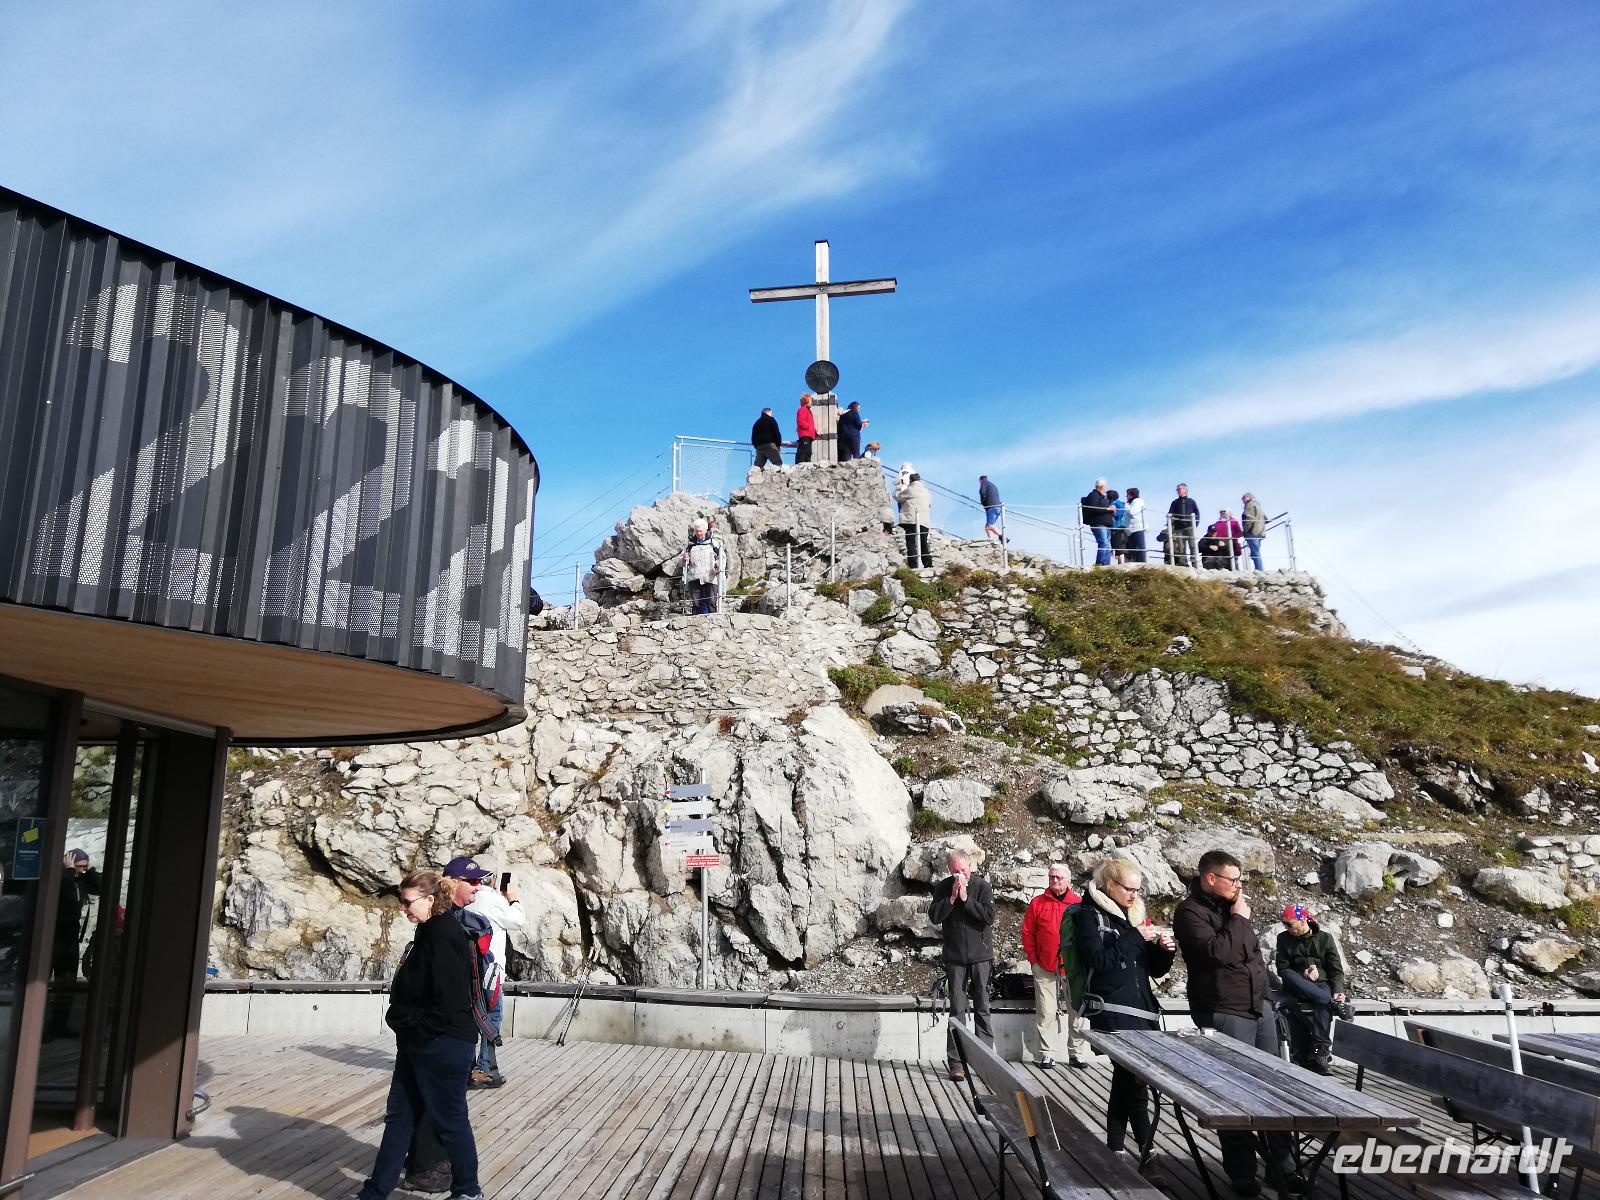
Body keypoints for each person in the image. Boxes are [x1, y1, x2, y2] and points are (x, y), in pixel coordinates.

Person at [1174, 850, 1300, 1198]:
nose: (1239, 886)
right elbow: (1218, 954)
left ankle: (1282, 1165)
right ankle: (1243, 1172)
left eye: (1240, 880)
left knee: (1273, 1089)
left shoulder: (1231, 911)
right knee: (1233, 1093)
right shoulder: (1190, 912)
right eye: (1233, 880)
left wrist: (1268, 996)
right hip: (1225, 1010)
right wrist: (1240, 920)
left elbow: (1249, 955)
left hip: (1258, 1007)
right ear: (1211, 879)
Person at [357, 869, 483, 1200]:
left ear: (429, 900)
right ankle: (374, 1193)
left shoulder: (443, 935)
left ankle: (468, 1192)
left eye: (406, 901)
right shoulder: (429, 932)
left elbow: (450, 1001)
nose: (402, 908)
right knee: (400, 1118)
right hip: (419, 1045)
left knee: (450, 1121)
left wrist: (417, 1030)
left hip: (441, 1045)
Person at [1074, 857, 1175, 1185]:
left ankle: (1116, 1148)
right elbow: (1100, 962)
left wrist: (1163, 951)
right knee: (1135, 1083)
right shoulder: (1088, 916)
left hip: (1140, 1011)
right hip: (1112, 1012)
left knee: (1127, 1081)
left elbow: (1151, 971)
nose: (1134, 895)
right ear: (1109, 885)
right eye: (1128, 888)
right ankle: (1148, 1153)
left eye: (1138, 889)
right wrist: (1135, 937)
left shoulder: (1133, 916)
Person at [444, 856, 526, 1089]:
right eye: (473, 880)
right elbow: (518, 920)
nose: (477, 885)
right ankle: (484, 1066)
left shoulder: (455, 905)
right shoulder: (489, 898)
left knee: (470, 1015)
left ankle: (467, 1066)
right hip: (489, 969)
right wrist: (513, 900)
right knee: (493, 1015)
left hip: (466, 971)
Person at [928, 849, 996, 1081]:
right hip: (955, 958)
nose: (960, 875)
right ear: (950, 870)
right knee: (957, 1010)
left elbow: (989, 917)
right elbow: (934, 916)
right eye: (955, 871)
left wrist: (966, 899)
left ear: (970, 867)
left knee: (982, 1008)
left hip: (981, 957)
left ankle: (986, 1061)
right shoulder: (943, 888)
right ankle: (957, 1063)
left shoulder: (982, 887)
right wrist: (952, 899)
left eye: (963, 870)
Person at [1020, 863, 1090, 1069]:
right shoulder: (1037, 903)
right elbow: (1027, 932)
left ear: (1068, 881)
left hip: (1073, 968)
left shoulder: (1078, 903)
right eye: (1052, 877)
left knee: (1076, 1011)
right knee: (1046, 1011)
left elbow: (1087, 936)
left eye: (1059, 878)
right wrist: (1033, 960)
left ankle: (1076, 1053)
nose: (1055, 881)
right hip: (1044, 965)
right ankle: (1047, 1053)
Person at [1274, 904, 1352, 1075]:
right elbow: (1282, 968)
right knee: (1288, 974)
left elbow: (1335, 970)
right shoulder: (1283, 938)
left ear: (1303, 921)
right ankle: (1331, 1003)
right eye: (1284, 924)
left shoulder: (1325, 939)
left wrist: (1338, 990)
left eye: (1289, 924)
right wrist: (1303, 975)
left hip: (1321, 984)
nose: (1286, 928)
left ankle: (1319, 1052)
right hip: (1297, 984)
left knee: (1323, 997)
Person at [47, 849, 101, 1038]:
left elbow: (102, 887)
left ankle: (59, 1024)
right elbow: (65, 896)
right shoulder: (61, 879)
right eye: (80, 866)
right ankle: (42, 1025)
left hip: (70, 936)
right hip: (53, 935)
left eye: (85, 866)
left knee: (67, 982)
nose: (82, 870)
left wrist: (90, 871)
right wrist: (68, 872)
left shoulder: (81, 880)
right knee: (46, 980)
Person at [681, 518, 724, 615]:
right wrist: (684, 559)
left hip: (710, 576)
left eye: (700, 531)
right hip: (695, 577)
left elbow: (721, 557)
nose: (698, 533)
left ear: (705, 530)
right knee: (696, 603)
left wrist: (717, 567)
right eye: (696, 531)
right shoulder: (690, 545)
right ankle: (695, 627)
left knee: (711, 602)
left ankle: (714, 624)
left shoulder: (713, 543)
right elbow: (683, 563)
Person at [894, 464, 933, 570]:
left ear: (911, 480)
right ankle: (928, 564)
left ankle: (913, 565)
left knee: (911, 541)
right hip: (924, 520)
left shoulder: (911, 489)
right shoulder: (926, 492)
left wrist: (897, 489)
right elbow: (930, 503)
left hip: (911, 519)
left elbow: (898, 497)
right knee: (923, 542)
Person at [1080, 478, 1115, 566]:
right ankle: (1099, 563)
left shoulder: (1101, 497)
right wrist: (1108, 509)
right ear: (1102, 486)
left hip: (1105, 524)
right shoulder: (1093, 495)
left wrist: (1110, 510)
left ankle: (1106, 565)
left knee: (1108, 546)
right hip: (1098, 523)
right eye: (1106, 486)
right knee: (1103, 543)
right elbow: (1093, 508)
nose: (1106, 488)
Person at [1167, 483, 1200, 567]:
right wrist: (1169, 517)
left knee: (1192, 546)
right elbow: (1170, 512)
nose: (1178, 491)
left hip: (1189, 527)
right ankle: (1183, 564)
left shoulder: (1191, 501)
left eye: (1180, 489)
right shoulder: (1174, 502)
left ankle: (1194, 563)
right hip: (1179, 528)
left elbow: (1197, 513)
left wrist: (1195, 525)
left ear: (1185, 490)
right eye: (1177, 489)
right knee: (1181, 548)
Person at [1241, 493, 1266, 571]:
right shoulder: (1258, 505)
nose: (1242, 500)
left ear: (1248, 497)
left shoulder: (1250, 505)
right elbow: (1265, 517)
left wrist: (1245, 530)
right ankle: (1259, 569)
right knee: (1256, 551)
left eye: (1243, 498)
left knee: (1255, 552)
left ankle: (1259, 570)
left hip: (1252, 532)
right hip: (1260, 532)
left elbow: (1249, 519)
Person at [1124, 487, 1147, 564]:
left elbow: (1132, 512)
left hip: (1137, 528)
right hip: (1132, 529)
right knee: (1134, 549)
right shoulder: (1133, 503)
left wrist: (1126, 505)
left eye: (1127, 495)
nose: (1126, 497)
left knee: (1139, 547)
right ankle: (1137, 564)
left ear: (1130, 495)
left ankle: (1142, 565)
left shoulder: (1138, 501)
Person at [978, 476, 1004, 541]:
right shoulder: (992, 485)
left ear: (980, 480)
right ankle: (991, 541)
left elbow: (982, 492)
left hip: (991, 508)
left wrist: (983, 502)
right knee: (988, 527)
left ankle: (1003, 537)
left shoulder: (984, 483)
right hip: (997, 508)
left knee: (989, 526)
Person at [794, 394, 817, 463]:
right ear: (806, 400)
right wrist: (809, 428)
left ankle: (806, 466)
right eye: (810, 400)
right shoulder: (802, 410)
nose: (811, 402)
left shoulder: (808, 411)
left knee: (807, 452)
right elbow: (801, 421)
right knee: (804, 452)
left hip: (809, 434)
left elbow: (810, 424)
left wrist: (815, 431)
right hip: (805, 434)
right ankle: (800, 466)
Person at [1108, 489, 1128, 563]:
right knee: (1117, 546)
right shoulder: (1115, 503)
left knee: (1119, 546)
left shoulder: (1117, 503)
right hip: (1116, 527)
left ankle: (1122, 564)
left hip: (1118, 526)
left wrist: (1112, 513)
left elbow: (1120, 512)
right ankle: (1120, 563)